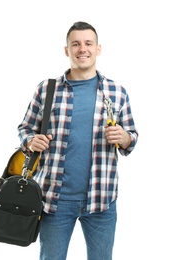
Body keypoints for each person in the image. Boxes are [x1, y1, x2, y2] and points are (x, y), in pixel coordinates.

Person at [17, 21, 138, 260]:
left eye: (88, 43)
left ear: (98, 49)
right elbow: (25, 129)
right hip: (54, 200)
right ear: (67, 50)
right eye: (76, 44)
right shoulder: (46, 90)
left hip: (102, 200)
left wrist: (124, 138)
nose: (82, 49)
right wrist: (31, 141)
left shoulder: (117, 92)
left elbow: (132, 138)